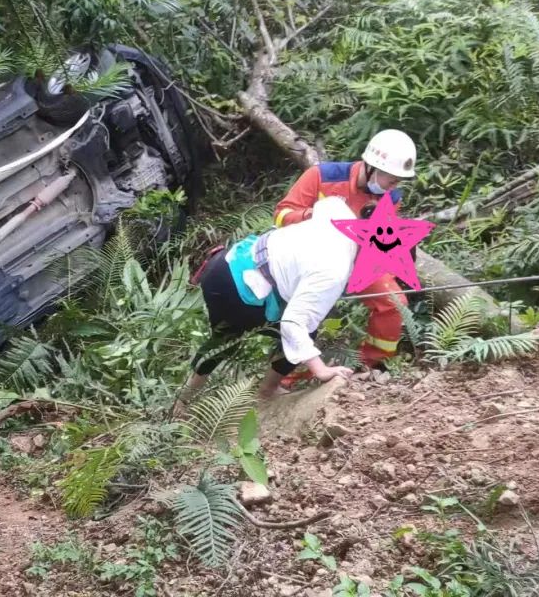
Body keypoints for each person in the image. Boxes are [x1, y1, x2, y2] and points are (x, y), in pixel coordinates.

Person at [178, 196, 360, 408]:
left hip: (229, 260)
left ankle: (182, 401)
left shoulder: (343, 219)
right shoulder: (334, 271)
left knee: (222, 341)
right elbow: (293, 323)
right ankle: (266, 392)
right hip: (237, 286)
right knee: (297, 332)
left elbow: (328, 203)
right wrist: (321, 370)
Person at [272, 129, 417, 380]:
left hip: (354, 261)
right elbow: (281, 215)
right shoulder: (322, 176)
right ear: (372, 168)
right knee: (303, 315)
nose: (395, 187)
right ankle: (286, 379)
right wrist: (314, 215)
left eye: (398, 182)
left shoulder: (390, 197)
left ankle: (371, 367)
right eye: (392, 180)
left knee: (393, 302)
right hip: (308, 258)